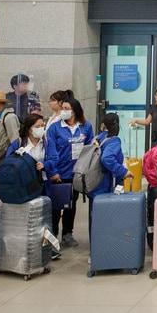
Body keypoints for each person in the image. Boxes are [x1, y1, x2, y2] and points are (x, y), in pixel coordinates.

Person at [46, 96, 92, 246]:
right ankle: (52, 235)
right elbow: (50, 150)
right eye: (63, 109)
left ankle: (67, 233)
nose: (64, 112)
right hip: (60, 173)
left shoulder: (85, 126)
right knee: (56, 206)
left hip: (77, 173)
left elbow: (90, 147)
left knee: (71, 204)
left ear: (75, 110)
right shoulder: (55, 128)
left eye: (67, 109)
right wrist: (53, 172)